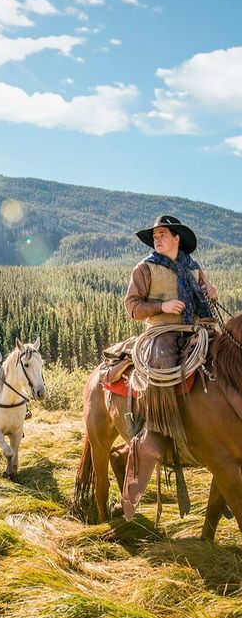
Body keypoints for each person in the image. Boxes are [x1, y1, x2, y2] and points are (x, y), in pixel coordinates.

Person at [122, 214, 218, 518]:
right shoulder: (145, 268)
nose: (157, 239)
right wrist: (162, 306)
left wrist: (211, 293)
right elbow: (132, 306)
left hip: (198, 329)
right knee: (162, 368)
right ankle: (158, 430)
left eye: (162, 234)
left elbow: (205, 300)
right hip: (162, 331)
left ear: (177, 238)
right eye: (155, 236)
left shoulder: (193, 268)